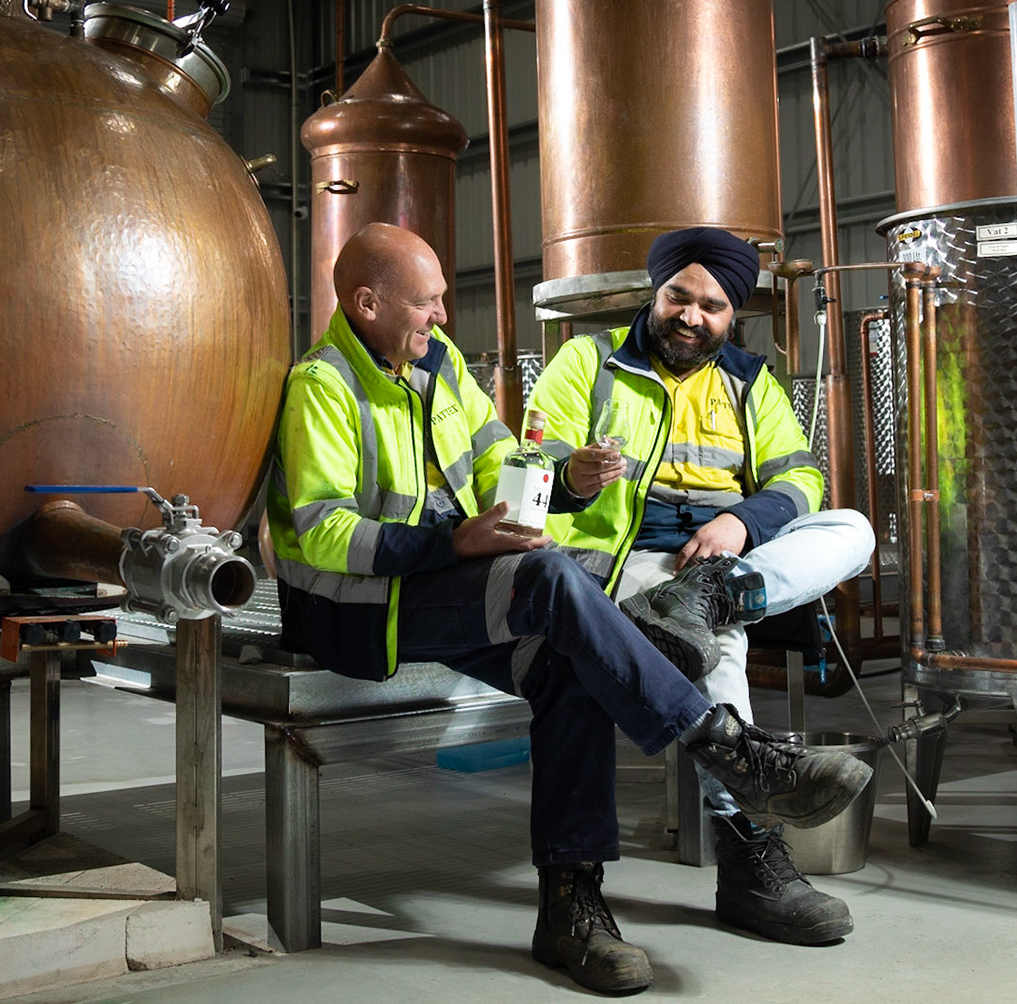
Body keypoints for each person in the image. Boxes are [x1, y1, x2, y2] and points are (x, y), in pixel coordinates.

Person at [268, 223, 873, 994]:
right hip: (363, 609)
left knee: (573, 656)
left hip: (485, 576)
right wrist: (476, 530)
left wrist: (551, 490)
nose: (445, 316)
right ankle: (733, 755)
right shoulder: (324, 385)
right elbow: (322, 530)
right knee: (560, 586)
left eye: (713, 304)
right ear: (367, 303)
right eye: (428, 302)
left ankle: (570, 906)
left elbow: (505, 457)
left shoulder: (436, 362)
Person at [527, 226, 878, 947]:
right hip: (629, 558)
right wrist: (570, 476)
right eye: (677, 298)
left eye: (711, 306)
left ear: (731, 313)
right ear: (654, 295)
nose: (691, 316)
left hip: (724, 558)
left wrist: (741, 522)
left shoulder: (751, 380)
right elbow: (527, 462)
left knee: (853, 530)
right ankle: (749, 858)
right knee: (718, 650)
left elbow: (800, 477)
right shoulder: (587, 362)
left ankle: (714, 596)